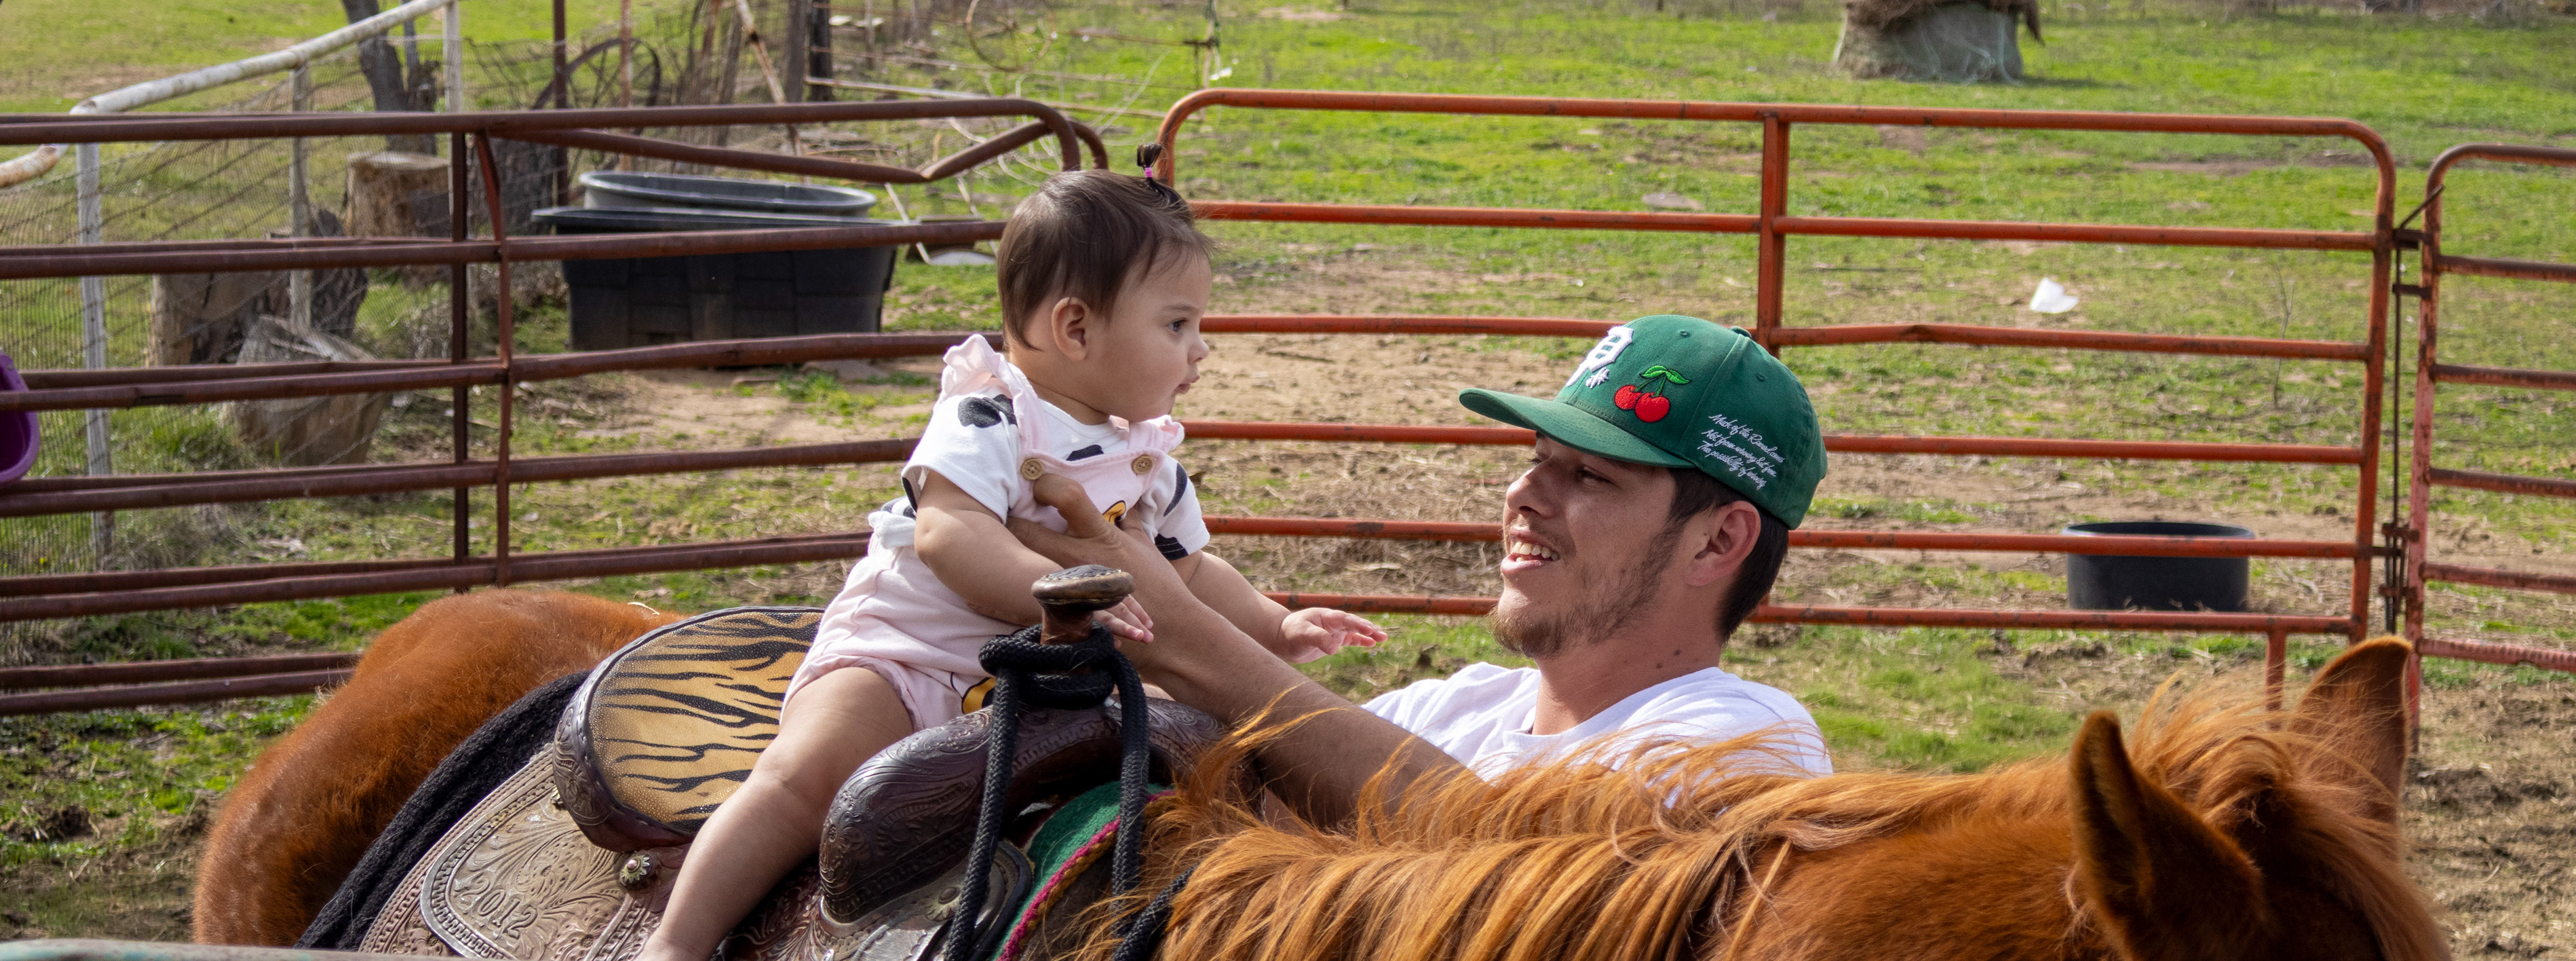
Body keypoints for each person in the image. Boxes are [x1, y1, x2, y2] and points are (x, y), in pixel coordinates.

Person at [638, 154, 1383, 961]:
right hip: (911, 652)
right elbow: (950, 532)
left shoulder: (1147, 460)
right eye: (1177, 325)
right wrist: (1056, 590)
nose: (1201, 349)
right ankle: (678, 940)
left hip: (1035, 685)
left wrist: (1275, 624)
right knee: (803, 779)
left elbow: (1190, 572)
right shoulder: (991, 416)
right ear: (1075, 328)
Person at [1010, 313, 1831, 815]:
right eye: (1537, 457)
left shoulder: (1748, 743)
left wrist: (1188, 634)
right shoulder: (1451, 710)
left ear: (1719, 542)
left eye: (1589, 475)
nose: (1523, 494)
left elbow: (1523, 876)